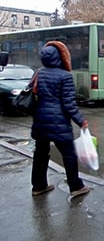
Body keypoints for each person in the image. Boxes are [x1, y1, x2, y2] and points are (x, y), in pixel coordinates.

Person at [30, 41, 91, 198]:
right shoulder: (65, 76)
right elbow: (69, 104)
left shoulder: (39, 73)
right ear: (61, 57)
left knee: (40, 154)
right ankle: (75, 186)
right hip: (59, 124)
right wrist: (81, 121)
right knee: (69, 155)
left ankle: (38, 186)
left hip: (40, 122)